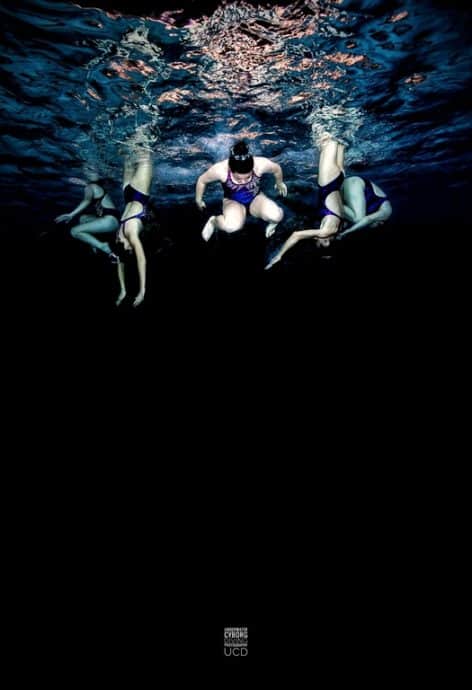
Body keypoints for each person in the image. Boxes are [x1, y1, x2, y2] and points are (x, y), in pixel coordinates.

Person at [265, 134, 344, 269]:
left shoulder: (339, 227)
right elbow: (297, 235)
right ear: (326, 243)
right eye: (318, 243)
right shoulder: (327, 231)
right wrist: (280, 255)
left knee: (341, 141)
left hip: (339, 179)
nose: (315, 239)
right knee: (328, 138)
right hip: (328, 182)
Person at [195, 140, 287, 242]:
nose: (243, 181)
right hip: (232, 201)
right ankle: (214, 222)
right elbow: (202, 181)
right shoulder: (220, 170)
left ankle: (272, 223)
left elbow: (276, 169)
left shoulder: (260, 164)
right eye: (238, 179)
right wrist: (198, 200)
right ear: (231, 169)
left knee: (277, 216)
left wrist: (279, 183)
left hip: (256, 198)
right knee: (231, 227)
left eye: (248, 177)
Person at [114, 145, 153, 307]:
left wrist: (142, 291)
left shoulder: (131, 234)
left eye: (131, 250)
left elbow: (141, 260)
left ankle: (147, 124)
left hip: (139, 192)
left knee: (145, 150)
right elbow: (120, 262)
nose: (132, 250)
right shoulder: (119, 236)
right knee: (129, 150)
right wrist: (122, 290)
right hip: (127, 193)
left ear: (128, 249)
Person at [55, 168, 121, 260]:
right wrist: (84, 183)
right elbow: (92, 188)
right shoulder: (96, 187)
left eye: (89, 170)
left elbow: (87, 200)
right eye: (86, 170)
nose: (87, 171)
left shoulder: (91, 187)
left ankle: (103, 246)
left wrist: (71, 215)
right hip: (114, 222)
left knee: (74, 231)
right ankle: (93, 242)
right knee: (83, 218)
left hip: (109, 221)